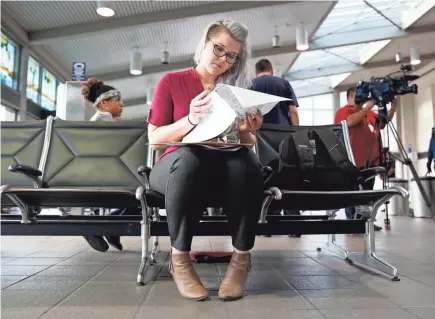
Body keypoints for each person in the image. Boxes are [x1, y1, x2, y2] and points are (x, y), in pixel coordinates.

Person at [147, 19, 264, 301]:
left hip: (222, 165)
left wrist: (248, 131)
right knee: (189, 158)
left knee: (245, 161)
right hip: (177, 165)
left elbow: (250, 144)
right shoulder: (172, 81)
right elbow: (155, 139)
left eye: (231, 56)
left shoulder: (233, 91)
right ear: (205, 44)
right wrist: (190, 119)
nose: (223, 60)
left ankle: (241, 259)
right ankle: (180, 259)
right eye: (218, 49)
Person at [250, 58, 301, 237]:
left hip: (260, 138)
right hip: (283, 136)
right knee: (289, 175)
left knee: (263, 177)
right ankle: (293, 224)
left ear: (257, 71)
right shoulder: (283, 83)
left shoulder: (250, 84)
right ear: (271, 70)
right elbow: (293, 111)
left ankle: (265, 223)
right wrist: (297, 134)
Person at [335, 87, 397, 231]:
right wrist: (367, 107)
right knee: (352, 193)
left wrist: (393, 108)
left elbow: (382, 123)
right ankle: (352, 222)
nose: (361, 99)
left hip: (370, 160)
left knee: (367, 193)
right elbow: (349, 122)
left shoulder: (368, 113)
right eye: (357, 96)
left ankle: (365, 221)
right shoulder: (344, 111)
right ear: (350, 97)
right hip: (352, 160)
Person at [80, 78, 124, 252]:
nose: (122, 105)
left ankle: (111, 227)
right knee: (148, 195)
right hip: (103, 176)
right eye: (118, 101)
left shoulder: (102, 121)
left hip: (101, 174)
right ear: (104, 104)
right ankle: (101, 227)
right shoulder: (102, 124)